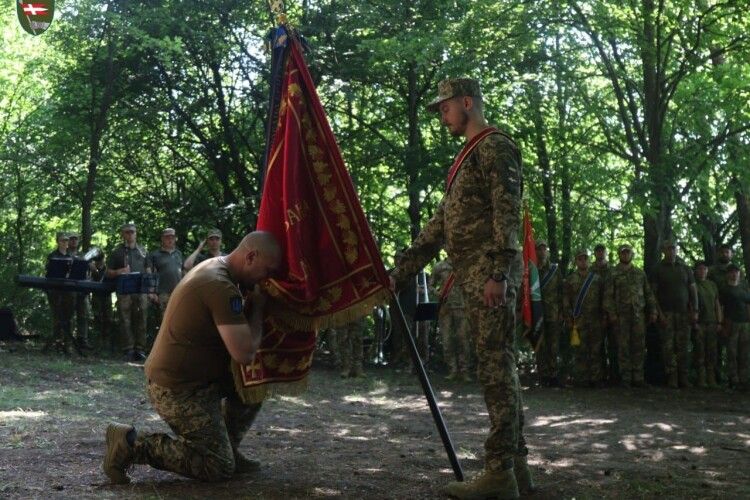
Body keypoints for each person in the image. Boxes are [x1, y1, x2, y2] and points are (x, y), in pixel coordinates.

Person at [390, 78, 532, 499]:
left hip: (489, 274)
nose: (441, 115)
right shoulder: (465, 157)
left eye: (446, 107)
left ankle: (500, 473)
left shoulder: (494, 146)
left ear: (467, 103)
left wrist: (499, 273)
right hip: (473, 274)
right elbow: (441, 225)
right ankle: (516, 466)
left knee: (496, 370)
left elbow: (508, 212)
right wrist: (401, 270)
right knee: (498, 368)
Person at [102, 231, 281, 484]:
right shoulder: (220, 285)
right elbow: (245, 353)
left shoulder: (217, 267)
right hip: (177, 389)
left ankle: (226, 447)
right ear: (251, 257)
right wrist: (259, 308)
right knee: (217, 467)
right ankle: (130, 445)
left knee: (254, 386)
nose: (268, 279)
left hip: (200, 379)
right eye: (268, 271)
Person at [603, 244, 657, 387]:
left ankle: (638, 377)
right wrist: (612, 314)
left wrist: (653, 311)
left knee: (639, 346)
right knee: (623, 347)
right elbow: (608, 297)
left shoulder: (640, 273)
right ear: (619, 255)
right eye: (623, 253)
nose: (625, 255)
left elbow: (648, 293)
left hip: (638, 316)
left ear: (632, 254)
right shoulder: (613, 273)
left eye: (628, 252)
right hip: (621, 317)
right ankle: (626, 378)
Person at [650, 240, 698, 388]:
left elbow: (693, 290)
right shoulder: (658, 269)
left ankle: (683, 377)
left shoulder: (685, 268)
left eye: (674, 248)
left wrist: (695, 311)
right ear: (663, 250)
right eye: (668, 249)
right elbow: (653, 294)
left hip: (684, 313)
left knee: (683, 346)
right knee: (668, 347)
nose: (672, 251)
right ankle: (672, 378)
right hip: (667, 314)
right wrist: (659, 314)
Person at [106, 223, 149, 362]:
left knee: (141, 317)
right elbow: (107, 273)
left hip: (140, 289)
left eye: (132, 232)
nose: (130, 234)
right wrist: (119, 271)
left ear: (136, 234)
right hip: (124, 290)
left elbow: (149, 269)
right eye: (127, 232)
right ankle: (128, 349)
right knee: (125, 319)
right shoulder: (117, 252)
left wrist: (150, 288)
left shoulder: (143, 251)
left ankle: (140, 349)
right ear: (123, 234)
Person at [563, 248, 605, 387]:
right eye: (580, 259)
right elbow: (566, 300)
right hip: (578, 321)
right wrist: (568, 318)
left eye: (585, 258)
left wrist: (604, 316)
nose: (583, 261)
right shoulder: (570, 279)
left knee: (595, 350)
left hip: (595, 320)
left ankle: (596, 379)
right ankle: (582, 379)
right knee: (580, 350)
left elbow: (603, 299)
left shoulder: (597, 279)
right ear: (576, 261)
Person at [433, 259, 472, 382]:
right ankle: (452, 370)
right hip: (445, 309)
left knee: (463, 339)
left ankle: (464, 371)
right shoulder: (439, 266)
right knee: (447, 340)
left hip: (462, 308)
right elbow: (430, 285)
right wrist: (437, 292)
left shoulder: (465, 263)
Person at [718, 264, 750, 390]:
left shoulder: (744, 289)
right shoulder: (724, 289)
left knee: (745, 352)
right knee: (732, 352)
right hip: (731, 323)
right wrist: (721, 323)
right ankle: (733, 379)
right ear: (727, 274)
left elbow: (748, 305)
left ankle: (744, 379)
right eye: (731, 272)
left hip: (745, 324)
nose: (734, 274)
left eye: (736, 272)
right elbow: (720, 307)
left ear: (739, 274)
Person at [535, 240, 562, 387]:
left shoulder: (554, 270)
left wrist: (562, 312)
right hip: (537, 313)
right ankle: (542, 376)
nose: (541, 252)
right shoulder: (531, 270)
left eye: (543, 249)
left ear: (547, 251)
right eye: (538, 249)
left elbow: (561, 292)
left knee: (553, 345)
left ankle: (553, 375)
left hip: (553, 313)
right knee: (540, 345)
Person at [44, 232, 75, 354]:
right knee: (57, 317)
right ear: (57, 241)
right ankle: (56, 343)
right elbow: (48, 274)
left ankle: (68, 344)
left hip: (68, 291)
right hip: (55, 291)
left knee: (69, 318)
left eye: (67, 241)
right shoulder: (52, 256)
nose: (65, 243)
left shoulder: (72, 256)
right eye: (62, 240)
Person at [693, 261, 722, 388]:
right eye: (699, 269)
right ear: (695, 271)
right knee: (700, 351)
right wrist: (694, 322)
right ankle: (701, 379)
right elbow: (690, 304)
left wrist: (719, 321)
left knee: (712, 352)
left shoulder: (712, 285)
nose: (702, 271)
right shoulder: (693, 284)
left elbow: (717, 304)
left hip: (712, 322)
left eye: (704, 269)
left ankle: (711, 379)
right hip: (700, 323)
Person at [148, 228, 184, 324]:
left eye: (172, 237)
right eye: (167, 237)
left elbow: (183, 272)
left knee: (179, 321)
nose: (170, 240)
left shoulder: (179, 254)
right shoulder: (154, 255)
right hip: (163, 293)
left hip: (178, 292)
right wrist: (152, 292)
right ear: (162, 239)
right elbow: (149, 274)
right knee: (165, 322)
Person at [592, 243, 616, 384]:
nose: (600, 253)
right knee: (598, 346)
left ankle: (614, 376)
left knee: (613, 345)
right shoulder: (590, 270)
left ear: (606, 253)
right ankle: (600, 376)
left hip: (613, 313)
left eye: (602, 251)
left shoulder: (613, 271)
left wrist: (610, 313)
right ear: (595, 253)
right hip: (594, 314)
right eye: (598, 251)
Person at [67, 232, 92, 351]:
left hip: (82, 289)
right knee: (69, 315)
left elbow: (93, 271)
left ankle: (83, 340)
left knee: (83, 315)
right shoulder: (63, 254)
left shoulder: (84, 255)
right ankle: (68, 339)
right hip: (68, 290)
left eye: (75, 239)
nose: (73, 241)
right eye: (71, 239)